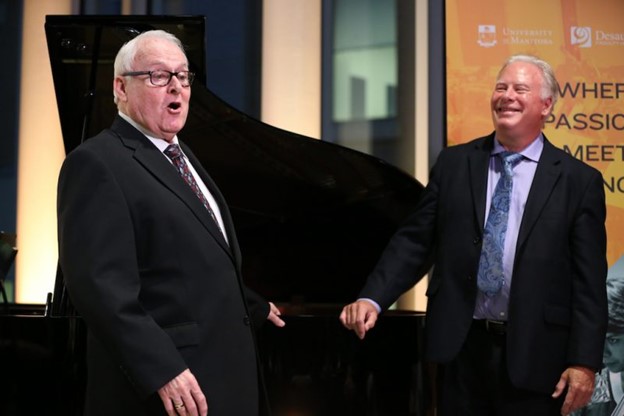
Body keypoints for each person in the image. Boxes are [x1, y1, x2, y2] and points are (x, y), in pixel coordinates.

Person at [340, 54, 608, 416]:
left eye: (520, 89)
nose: (507, 95)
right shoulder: (454, 163)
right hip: (461, 349)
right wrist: (374, 297)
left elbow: (588, 281)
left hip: (537, 355)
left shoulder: (579, 181)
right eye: (501, 87)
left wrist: (584, 363)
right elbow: (415, 240)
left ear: (546, 106)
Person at [57, 29, 284, 416]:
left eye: (183, 76)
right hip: (167, 392)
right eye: (158, 76)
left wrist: (250, 304)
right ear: (121, 88)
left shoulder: (182, 156)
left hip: (222, 381)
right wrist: (161, 369)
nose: (176, 87)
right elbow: (100, 287)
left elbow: (184, 258)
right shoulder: (96, 163)